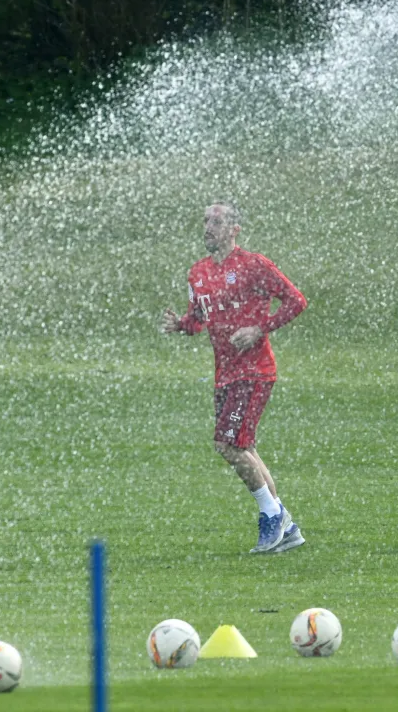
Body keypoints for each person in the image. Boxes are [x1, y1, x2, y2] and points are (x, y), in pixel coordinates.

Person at [162, 201, 308, 554]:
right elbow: (198, 319)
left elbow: (296, 301)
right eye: (205, 221)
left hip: (254, 371)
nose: (208, 227)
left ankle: (273, 516)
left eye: (217, 221)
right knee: (243, 447)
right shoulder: (196, 273)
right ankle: (285, 527)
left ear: (234, 229)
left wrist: (260, 328)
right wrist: (180, 325)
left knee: (228, 444)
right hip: (225, 376)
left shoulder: (253, 265)